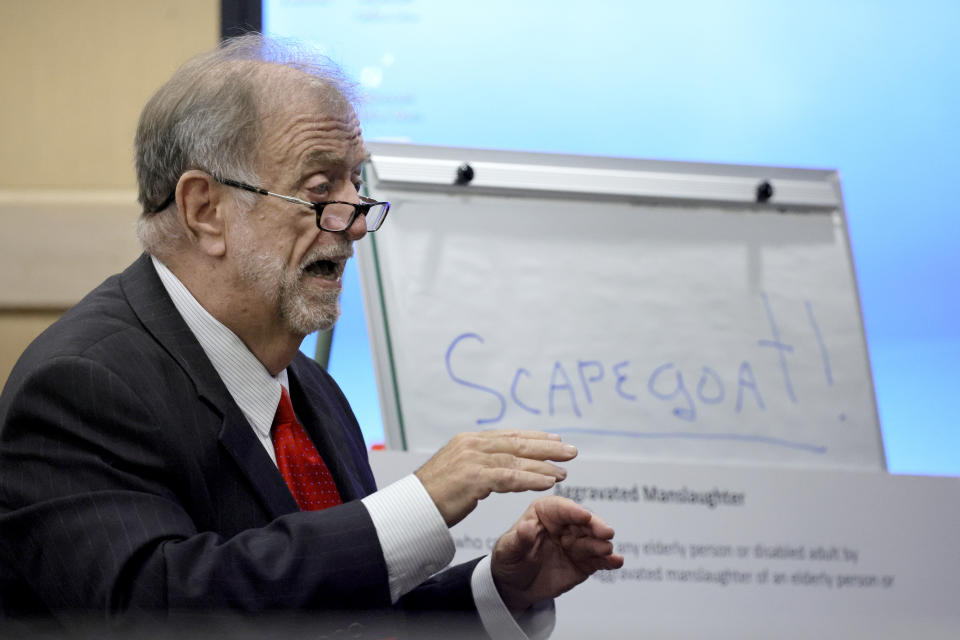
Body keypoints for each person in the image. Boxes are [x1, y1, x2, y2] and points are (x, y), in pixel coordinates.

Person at [0, 35, 622, 638]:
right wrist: (420, 503)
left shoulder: (310, 388)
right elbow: (160, 609)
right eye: (321, 189)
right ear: (204, 211)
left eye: (357, 184)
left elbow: (327, 613)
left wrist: (499, 591)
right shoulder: (81, 384)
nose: (355, 225)